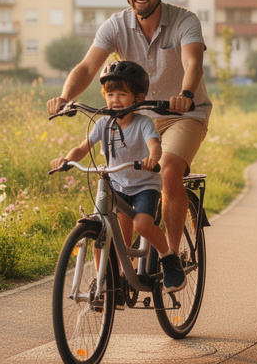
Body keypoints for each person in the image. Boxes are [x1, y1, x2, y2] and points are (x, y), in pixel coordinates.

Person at [47, 0, 210, 264]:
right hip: (135, 117)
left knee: (168, 170)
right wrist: (65, 98)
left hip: (183, 114)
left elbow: (193, 62)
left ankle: (170, 257)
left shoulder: (184, 21)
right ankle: (117, 276)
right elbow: (87, 67)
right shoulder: (116, 25)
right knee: (121, 188)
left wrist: (186, 94)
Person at [51, 61, 185, 292]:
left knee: (143, 225)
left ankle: (168, 257)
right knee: (103, 233)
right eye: (110, 94)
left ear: (138, 98)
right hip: (117, 185)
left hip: (144, 186)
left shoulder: (143, 123)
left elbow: (154, 145)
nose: (115, 99)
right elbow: (82, 148)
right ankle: (105, 281)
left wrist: (152, 159)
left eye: (122, 94)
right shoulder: (103, 123)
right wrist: (66, 160)